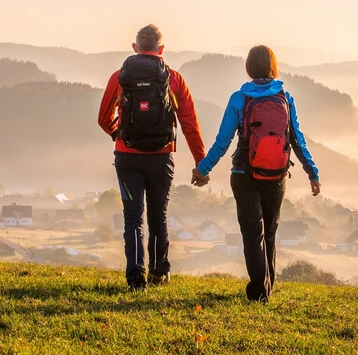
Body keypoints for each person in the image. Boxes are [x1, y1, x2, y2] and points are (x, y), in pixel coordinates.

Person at [191, 45, 320, 302]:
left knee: (253, 235)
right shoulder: (285, 97)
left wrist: (202, 169)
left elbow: (223, 141)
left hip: (244, 174)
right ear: (273, 66)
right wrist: (312, 173)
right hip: (277, 175)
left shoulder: (239, 98)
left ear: (248, 67)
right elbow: (297, 139)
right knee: (270, 232)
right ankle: (266, 290)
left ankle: (259, 292)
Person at [98, 24, 208, 291]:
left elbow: (103, 119)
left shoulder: (119, 77)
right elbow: (189, 123)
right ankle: (160, 272)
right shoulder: (175, 79)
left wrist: (119, 135)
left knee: (133, 218)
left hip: (128, 158)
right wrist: (200, 162)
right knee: (158, 215)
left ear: (135, 48)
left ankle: (136, 278)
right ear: (161, 49)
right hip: (162, 158)